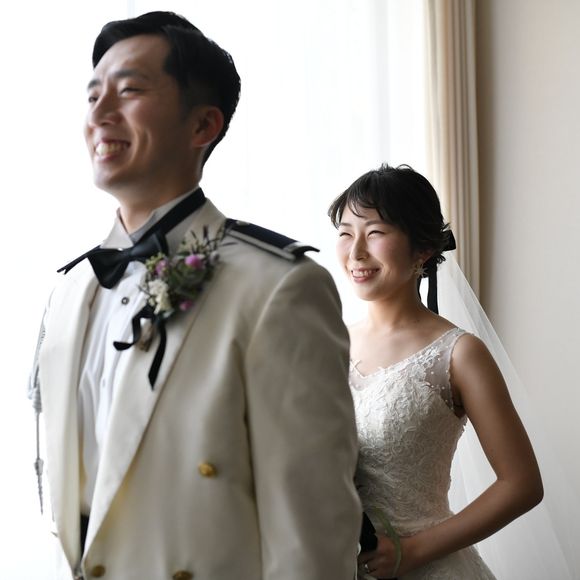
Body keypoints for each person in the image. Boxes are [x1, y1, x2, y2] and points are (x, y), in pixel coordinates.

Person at [29, 11, 361, 580]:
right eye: (92, 95)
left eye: (129, 90)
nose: (100, 113)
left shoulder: (278, 288)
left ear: (203, 125)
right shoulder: (70, 290)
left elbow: (313, 541)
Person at [328, 163, 544, 579]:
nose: (356, 253)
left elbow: (521, 484)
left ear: (423, 249)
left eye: (375, 233)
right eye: (345, 233)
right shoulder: (328, 343)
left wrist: (411, 551)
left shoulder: (459, 353)